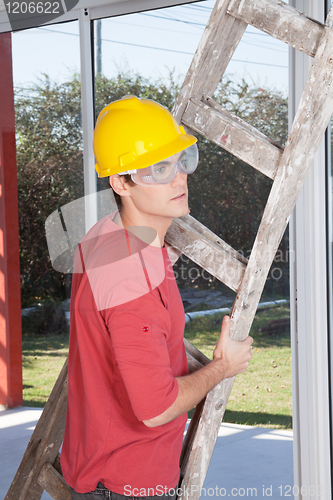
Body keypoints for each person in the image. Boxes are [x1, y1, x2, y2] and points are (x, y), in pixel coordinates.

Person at [60, 95, 253, 500]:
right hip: (127, 484)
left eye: (181, 160)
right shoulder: (134, 284)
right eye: (158, 169)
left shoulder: (104, 236)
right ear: (120, 182)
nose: (178, 178)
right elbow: (156, 409)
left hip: (95, 466)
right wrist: (222, 367)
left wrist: (160, 256)